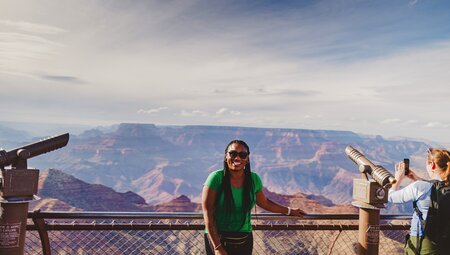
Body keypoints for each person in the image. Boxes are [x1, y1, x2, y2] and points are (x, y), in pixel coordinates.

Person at [202, 140, 305, 255]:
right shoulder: (215, 178)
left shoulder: (253, 179)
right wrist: (217, 247)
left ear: (247, 159)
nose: (237, 158)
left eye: (242, 155)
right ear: (226, 156)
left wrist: (290, 211)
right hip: (218, 237)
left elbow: (265, 203)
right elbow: (208, 214)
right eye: (233, 153)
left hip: (244, 238)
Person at [389, 148, 450, 254]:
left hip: (423, 244)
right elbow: (437, 187)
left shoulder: (420, 187)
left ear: (433, 165)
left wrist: (397, 179)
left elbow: (390, 197)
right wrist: (417, 178)